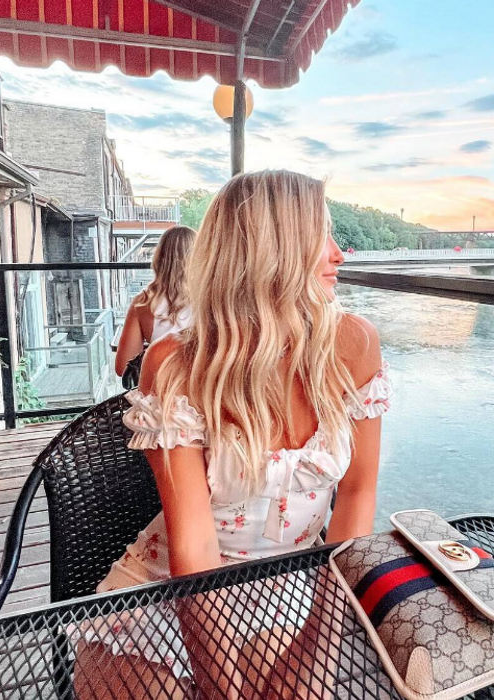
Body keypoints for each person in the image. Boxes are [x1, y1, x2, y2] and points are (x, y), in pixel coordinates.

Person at [74, 171, 390, 699]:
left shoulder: (353, 345)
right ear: (269, 253)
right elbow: (193, 548)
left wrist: (321, 646)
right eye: (321, 237)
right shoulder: (175, 365)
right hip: (171, 591)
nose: (339, 254)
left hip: (299, 588)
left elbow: (357, 494)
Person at [113, 225, 197, 383]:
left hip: (161, 394)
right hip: (203, 392)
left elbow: (122, 367)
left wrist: (153, 352)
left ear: (159, 258)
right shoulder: (210, 299)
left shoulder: (143, 302)